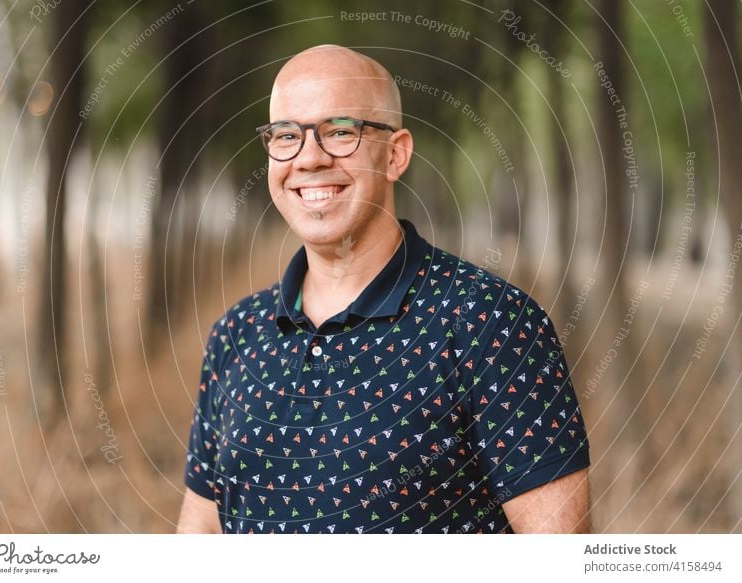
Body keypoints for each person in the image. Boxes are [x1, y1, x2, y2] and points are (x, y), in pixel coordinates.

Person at [176, 44, 591, 534]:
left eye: (339, 132)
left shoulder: (492, 323)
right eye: (286, 135)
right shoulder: (236, 335)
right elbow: (199, 537)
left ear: (395, 154)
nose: (309, 158)